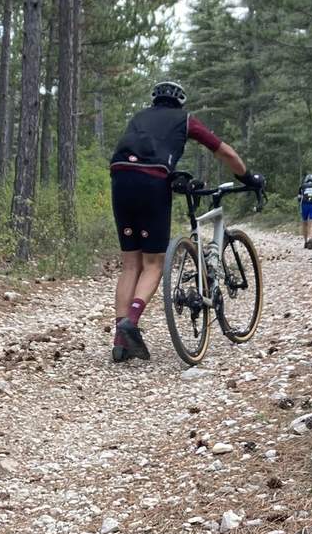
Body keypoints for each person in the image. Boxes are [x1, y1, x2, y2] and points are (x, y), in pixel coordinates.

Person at [108, 80, 264, 363]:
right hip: (153, 181)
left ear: (155, 101)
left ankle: (120, 343)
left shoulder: (139, 117)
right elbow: (224, 151)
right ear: (180, 102)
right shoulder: (185, 119)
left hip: (120, 178)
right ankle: (131, 321)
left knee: (131, 263)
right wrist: (248, 177)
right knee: (153, 263)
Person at [298, 172, 312, 249]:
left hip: (304, 205)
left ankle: (305, 241)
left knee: (304, 223)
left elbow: (299, 197)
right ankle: (310, 239)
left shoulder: (302, 186)